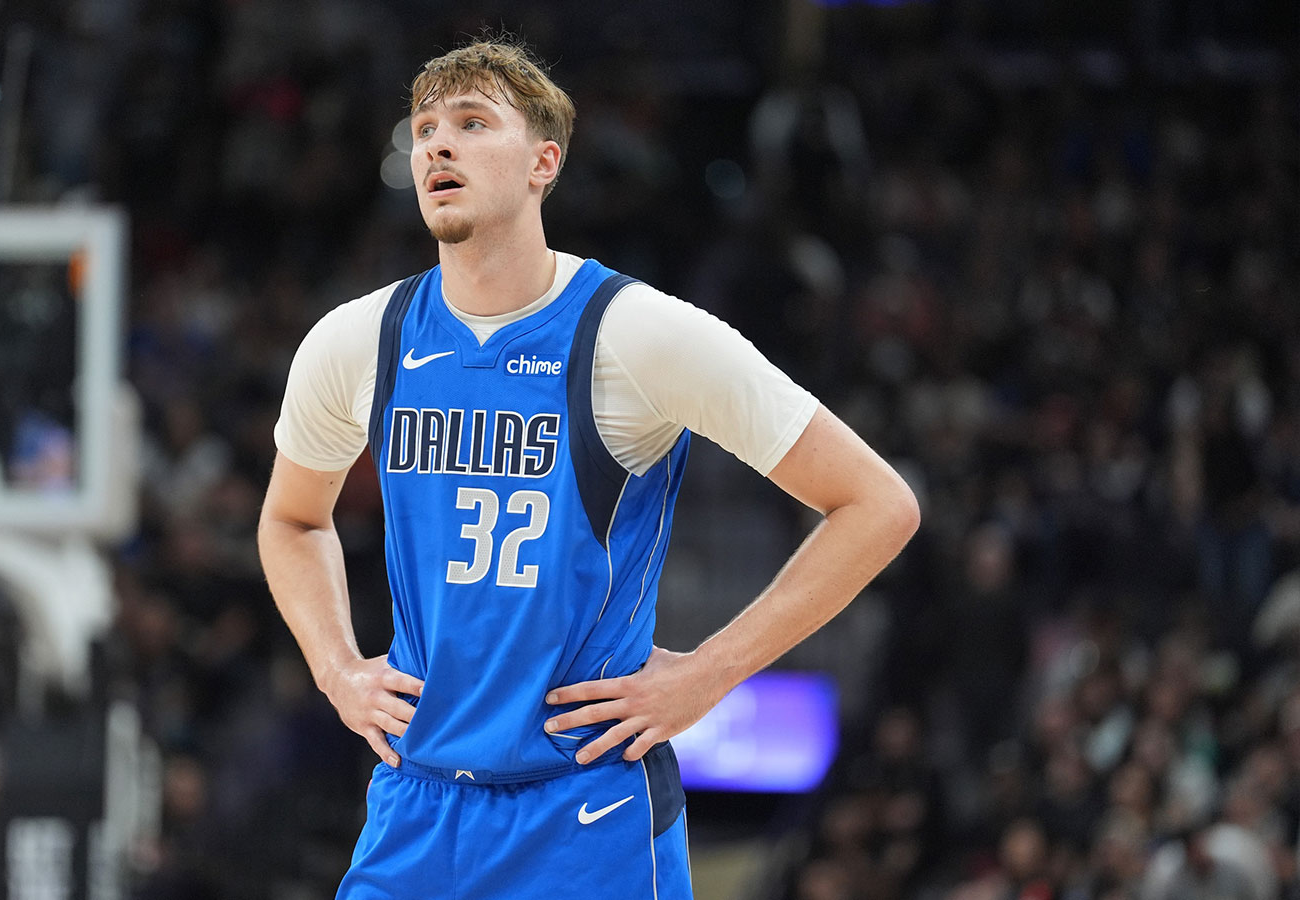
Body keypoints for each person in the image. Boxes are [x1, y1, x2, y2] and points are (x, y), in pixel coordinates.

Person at [258, 38, 920, 899]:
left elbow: (878, 503)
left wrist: (708, 673)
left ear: (545, 162)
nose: (437, 146)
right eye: (423, 129)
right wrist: (337, 668)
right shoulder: (358, 340)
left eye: (471, 122)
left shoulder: (637, 335)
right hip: (415, 807)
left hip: (585, 812)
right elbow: (291, 517)